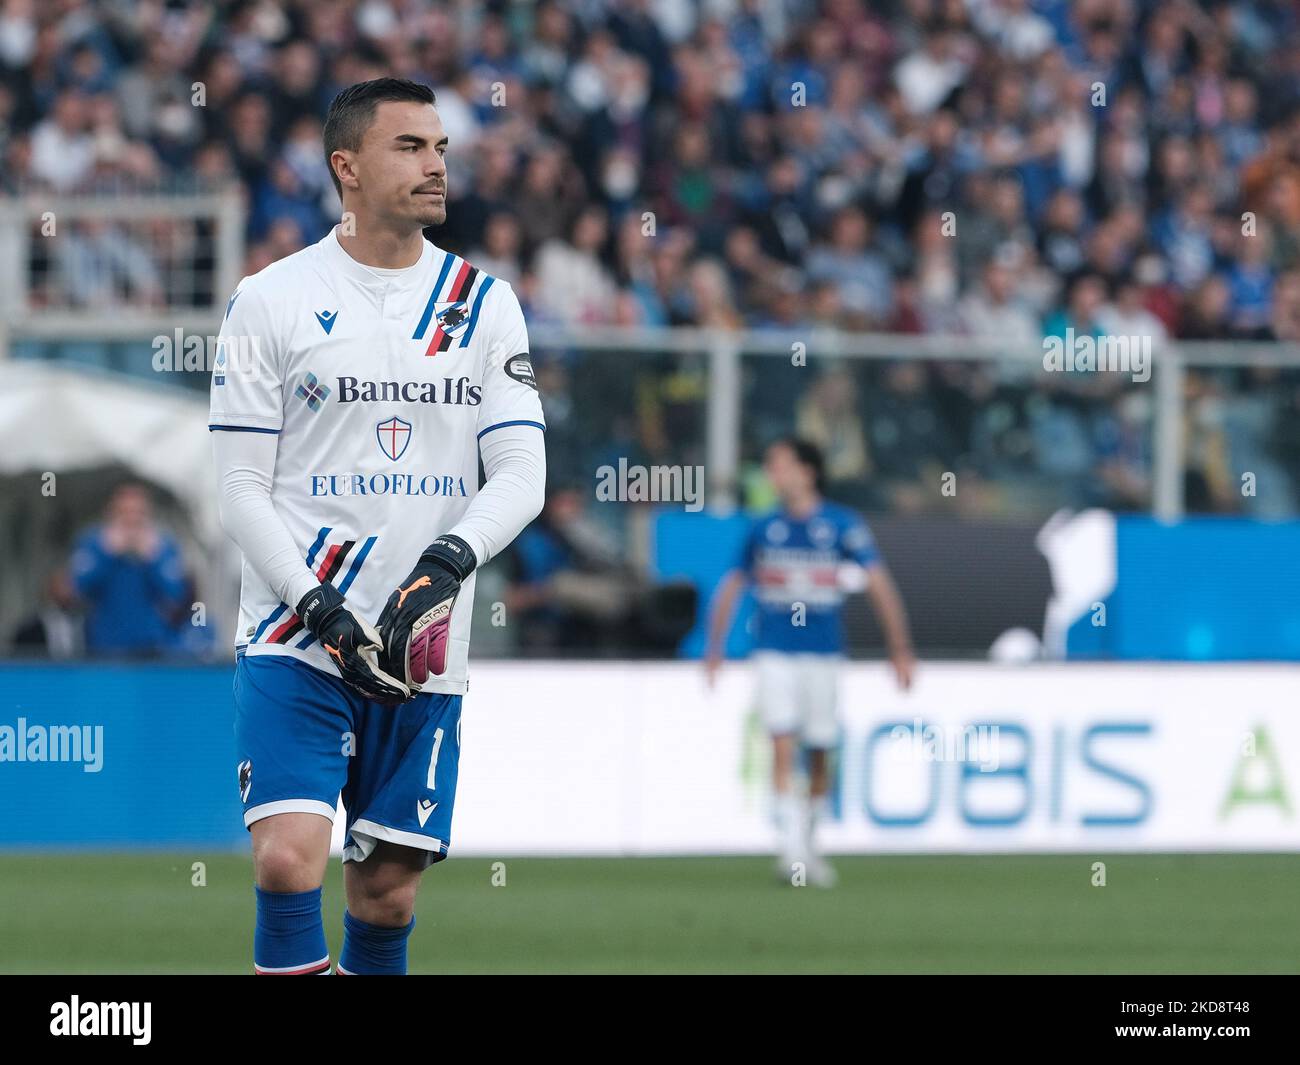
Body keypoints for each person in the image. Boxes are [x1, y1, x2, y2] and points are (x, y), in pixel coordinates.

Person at [209, 79, 545, 975]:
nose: (436, 164)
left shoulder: (483, 303)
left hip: (421, 643)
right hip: (296, 632)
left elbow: (522, 473)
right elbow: (239, 485)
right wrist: (316, 605)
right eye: (410, 146)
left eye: (440, 147)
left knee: (387, 890)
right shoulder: (269, 300)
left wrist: (445, 563)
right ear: (345, 168)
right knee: (287, 859)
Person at [705, 438, 914, 887]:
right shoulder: (764, 528)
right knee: (782, 742)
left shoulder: (841, 525)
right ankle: (791, 853)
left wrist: (899, 648)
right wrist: (715, 647)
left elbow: (879, 584)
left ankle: (810, 843)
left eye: (779, 466)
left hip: (823, 654)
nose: (771, 475)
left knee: (820, 749)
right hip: (774, 651)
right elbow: (732, 585)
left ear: (807, 472)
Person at [68, 482, 188, 657]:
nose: (132, 520)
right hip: (101, 647)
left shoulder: (163, 546)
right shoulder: (93, 543)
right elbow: (78, 589)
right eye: (125, 513)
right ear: (111, 514)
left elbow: (176, 594)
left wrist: (153, 559)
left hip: (151, 647)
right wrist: (107, 553)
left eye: (138, 514)